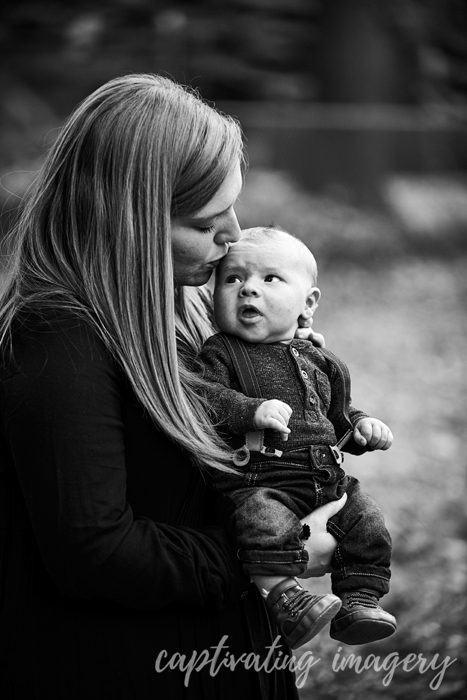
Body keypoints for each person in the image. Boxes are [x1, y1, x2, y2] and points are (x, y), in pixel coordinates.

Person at [0, 74, 347, 700]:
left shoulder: (180, 309)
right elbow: (95, 550)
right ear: (124, 219)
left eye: (234, 207)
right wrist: (275, 555)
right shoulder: (58, 340)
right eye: (205, 220)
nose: (234, 236)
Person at [197, 225, 397, 650]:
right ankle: (285, 598)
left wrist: (361, 429)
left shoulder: (320, 359)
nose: (248, 289)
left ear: (308, 304)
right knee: (261, 523)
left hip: (326, 477)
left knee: (368, 523)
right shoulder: (221, 352)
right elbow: (204, 397)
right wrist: (250, 410)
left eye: (270, 279)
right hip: (261, 480)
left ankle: (358, 601)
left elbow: (336, 416)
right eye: (233, 278)